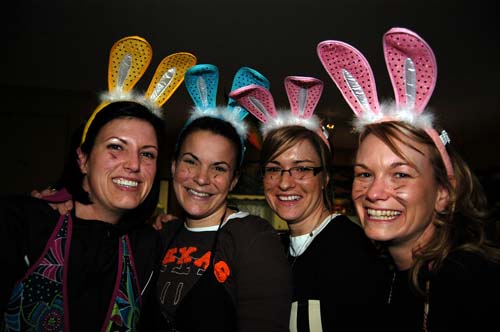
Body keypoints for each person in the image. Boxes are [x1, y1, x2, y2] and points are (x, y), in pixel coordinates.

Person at [0, 36, 196, 331]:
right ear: (82, 159)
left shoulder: (147, 247)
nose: (133, 164)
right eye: (116, 147)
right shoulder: (22, 222)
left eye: (147, 153)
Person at [317, 27, 500, 331]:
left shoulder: (471, 280)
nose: (374, 192)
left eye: (400, 174)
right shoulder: (383, 273)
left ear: (444, 193)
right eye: (364, 173)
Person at [229, 76, 390, 331]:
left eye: (301, 169)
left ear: (325, 177)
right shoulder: (273, 248)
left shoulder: (353, 253)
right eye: (273, 169)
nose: (284, 183)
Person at [144, 64, 292, 331]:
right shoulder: (163, 233)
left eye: (219, 168)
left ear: (234, 179)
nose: (202, 178)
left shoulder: (252, 238)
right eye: (191, 162)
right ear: (174, 167)